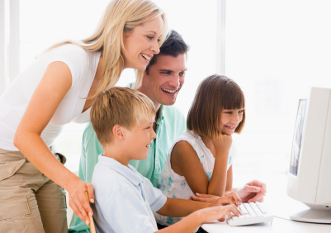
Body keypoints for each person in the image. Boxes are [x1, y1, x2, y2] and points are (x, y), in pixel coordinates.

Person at [0, 1, 167, 232]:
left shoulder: (110, 77)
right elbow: (24, 135)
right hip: (7, 161)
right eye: (150, 37)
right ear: (120, 30)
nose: (156, 48)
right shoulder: (72, 60)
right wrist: (73, 183)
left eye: (159, 40)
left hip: (43, 157)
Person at [69, 30, 188, 232]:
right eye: (166, 72)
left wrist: (223, 201)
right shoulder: (110, 119)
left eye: (182, 73)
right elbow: (93, 205)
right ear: (143, 69)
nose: (176, 83)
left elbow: (166, 196)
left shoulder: (177, 119)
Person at [89, 86, 242, 233]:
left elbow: (165, 205)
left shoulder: (121, 171)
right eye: (147, 128)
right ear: (120, 133)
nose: (154, 134)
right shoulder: (118, 187)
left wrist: (212, 205)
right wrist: (200, 216)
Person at [155, 75, 266, 227]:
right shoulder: (185, 146)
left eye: (240, 111)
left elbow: (224, 192)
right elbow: (212, 197)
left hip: (203, 222)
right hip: (173, 225)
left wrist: (238, 194)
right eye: (228, 112)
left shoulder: (226, 144)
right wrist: (222, 153)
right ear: (208, 111)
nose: (236, 119)